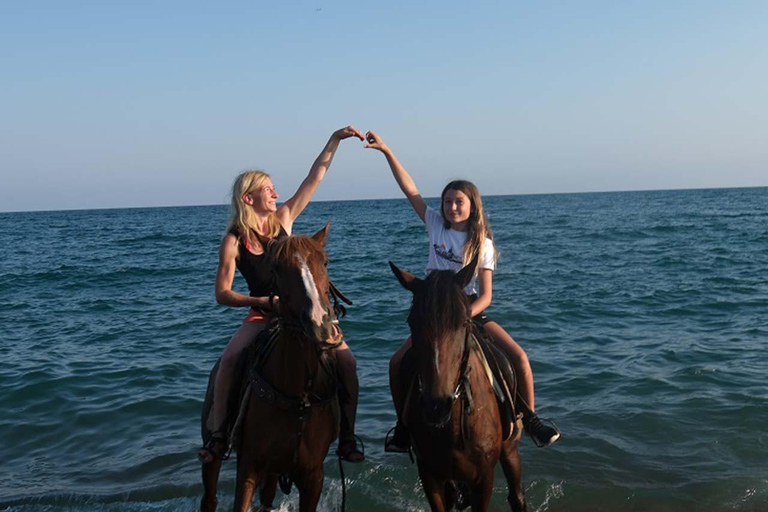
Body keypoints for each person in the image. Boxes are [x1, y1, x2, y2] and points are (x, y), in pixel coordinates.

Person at [364, 131, 561, 450]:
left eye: (459, 202)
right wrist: (386, 151)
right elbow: (409, 189)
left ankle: (531, 418)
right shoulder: (434, 224)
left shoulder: (482, 244)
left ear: (472, 206)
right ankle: (403, 428)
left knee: (519, 357)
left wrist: (460, 316)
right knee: (397, 363)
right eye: (447, 201)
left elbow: (486, 296)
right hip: (433, 311)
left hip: (466, 309)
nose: (452, 207)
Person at [198, 126, 366, 464]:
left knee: (347, 361)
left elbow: (314, 178)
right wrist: (259, 302)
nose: (276, 193)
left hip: (302, 313)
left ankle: (347, 436)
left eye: (274, 188)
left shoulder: (284, 220)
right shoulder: (234, 241)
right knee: (229, 361)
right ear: (248, 198)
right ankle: (219, 435)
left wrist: (334, 140)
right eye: (267, 189)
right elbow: (222, 293)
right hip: (263, 315)